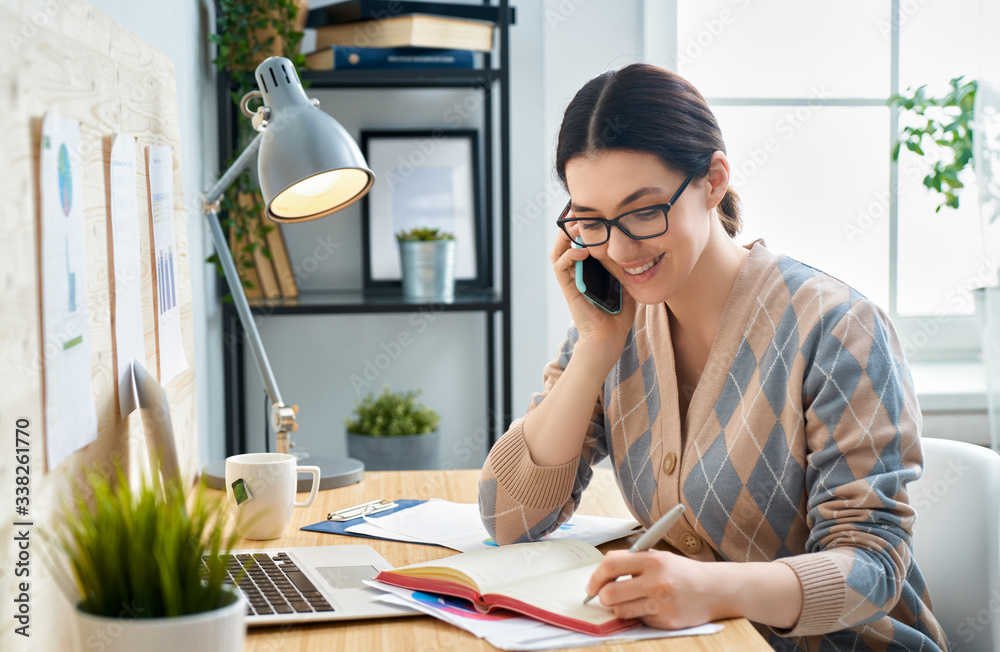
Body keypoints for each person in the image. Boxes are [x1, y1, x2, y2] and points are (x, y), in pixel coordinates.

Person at [478, 63, 948, 651]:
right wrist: (597, 347)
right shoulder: (610, 323)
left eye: (645, 211)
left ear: (713, 180)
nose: (620, 249)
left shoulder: (836, 327)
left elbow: (874, 569)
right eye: (591, 221)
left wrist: (715, 589)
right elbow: (508, 517)